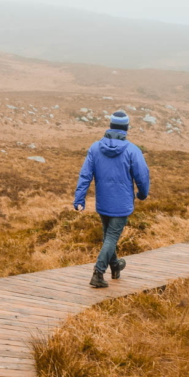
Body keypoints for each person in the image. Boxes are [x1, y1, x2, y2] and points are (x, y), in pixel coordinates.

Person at [73, 111, 150, 288]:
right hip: (122, 204)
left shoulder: (95, 148)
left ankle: (115, 266)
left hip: (103, 203)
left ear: (111, 126)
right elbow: (143, 176)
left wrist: (79, 199)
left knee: (109, 237)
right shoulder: (132, 150)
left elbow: (85, 175)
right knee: (111, 238)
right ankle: (98, 273)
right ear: (126, 128)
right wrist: (142, 195)